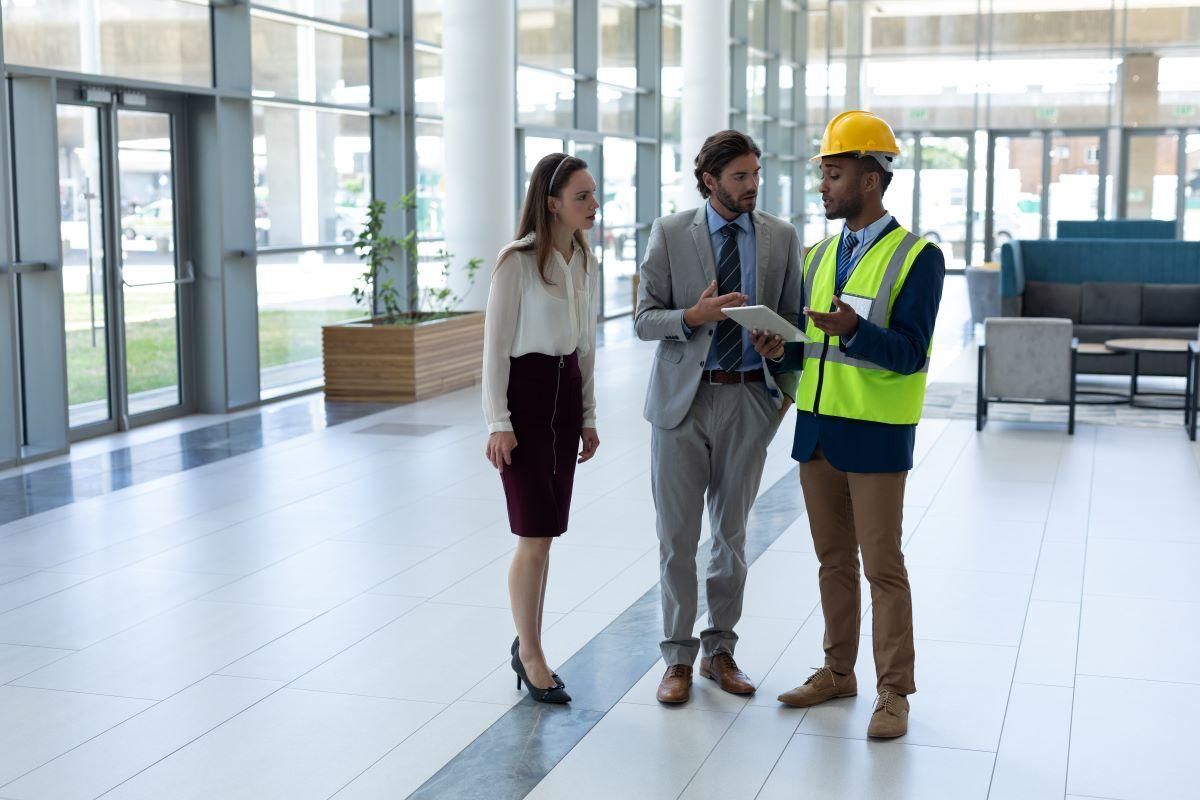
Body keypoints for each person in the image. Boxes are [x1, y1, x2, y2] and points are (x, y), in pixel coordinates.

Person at [753, 110, 945, 738]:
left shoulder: (918, 257)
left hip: (875, 434)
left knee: (882, 568)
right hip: (817, 432)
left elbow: (911, 353)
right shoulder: (819, 255)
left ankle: (895, 691)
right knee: (832, 562)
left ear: (870, 177)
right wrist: (785, 348)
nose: (823, 186)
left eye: (833, 174)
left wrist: (857, 332)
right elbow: (818, 348)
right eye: (823, 175)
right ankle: (839, 671)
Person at [635, 130, 803, 704]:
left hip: (747, 401)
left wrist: (777, 349)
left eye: (756, 174)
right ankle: (676, 658)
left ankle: (720, 651)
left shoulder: (781, 237)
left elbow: (792, 326)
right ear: (710, 180)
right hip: (682, 404)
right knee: (676, 537)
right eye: (740, 177)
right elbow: (642, 319)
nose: (752, 185)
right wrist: (694, 314)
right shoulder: (669, 232)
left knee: (730, 536)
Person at [483, 153, 602, 705]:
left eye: (593, 195)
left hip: (564, 396)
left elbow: (585, 346)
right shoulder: (517, 262)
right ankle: (530, 655)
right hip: (525, 403)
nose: (593, 205)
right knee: (532, 534)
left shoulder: (584, 260)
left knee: (547, 534)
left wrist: (588, 417)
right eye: (582, 196)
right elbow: (494, 352)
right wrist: (497, 422)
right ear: (552, 202)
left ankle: (527, 643)